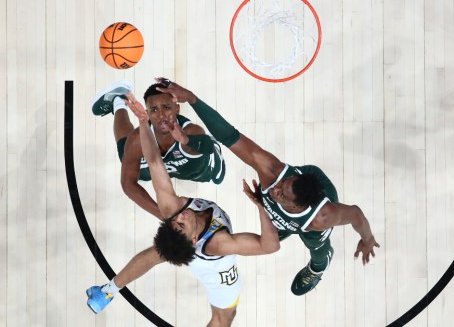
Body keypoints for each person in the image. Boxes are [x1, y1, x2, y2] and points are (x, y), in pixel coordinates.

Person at [156, 78, 380, 296]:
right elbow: (229, 136)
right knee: (270, 236)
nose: (275, 190)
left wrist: (368, 239)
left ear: (297, 205)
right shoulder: (272, 172)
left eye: (281, 193)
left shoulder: (321, 217)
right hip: (298, 196)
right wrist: (193, 99)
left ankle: (318, 268)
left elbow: (356, 215)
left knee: (318, 249)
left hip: (308, 219)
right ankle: (285, 222)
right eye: (282, 184)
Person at [86, 93, 280, 327]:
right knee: (225, 317)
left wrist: (142, 122)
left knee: (158, 251)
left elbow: (155, 161)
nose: (180, 217)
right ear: (195, 238)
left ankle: (107, 291)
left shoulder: (172, 210)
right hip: (214, 272)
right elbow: (270, 246)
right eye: (181, 225)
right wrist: (261, 206)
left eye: (173, 222)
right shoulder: (219, 244)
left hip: (182, 245)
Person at [91, 80, 227, 219]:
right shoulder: (138, 140)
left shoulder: (191, 132)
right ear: (147, 113)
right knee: (127, 154)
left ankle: (119, 101)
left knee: (218, 178)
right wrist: (164, 216)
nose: (161, 115)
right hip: (159, 166)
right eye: (154, 110)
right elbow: (128, 184)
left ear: (177, 109)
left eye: (166, 107)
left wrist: (186, 140)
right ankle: (119, 101)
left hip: (199, 169)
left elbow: (208, 146)